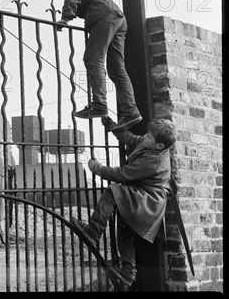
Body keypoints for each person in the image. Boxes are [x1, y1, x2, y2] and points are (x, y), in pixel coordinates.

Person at [71, 117, 177, 290]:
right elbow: (130, 138)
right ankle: (128, 272)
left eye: (149, 137)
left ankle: (93, 231)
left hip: (148, 202)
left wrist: (95, 168)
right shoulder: (148, 143)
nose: (144, 137)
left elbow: (121, 174)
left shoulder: (154, 161)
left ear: (160, 146)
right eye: (147, 134)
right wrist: (112, 126)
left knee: (112, 191)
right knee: (124, 231)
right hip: (139, 195)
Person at [48, 0, 142, 130]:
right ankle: (131, 112)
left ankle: (99, 104)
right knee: (116, 68)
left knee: (93, 58)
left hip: (103, 15)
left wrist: (65, 18)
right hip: (117, 17)